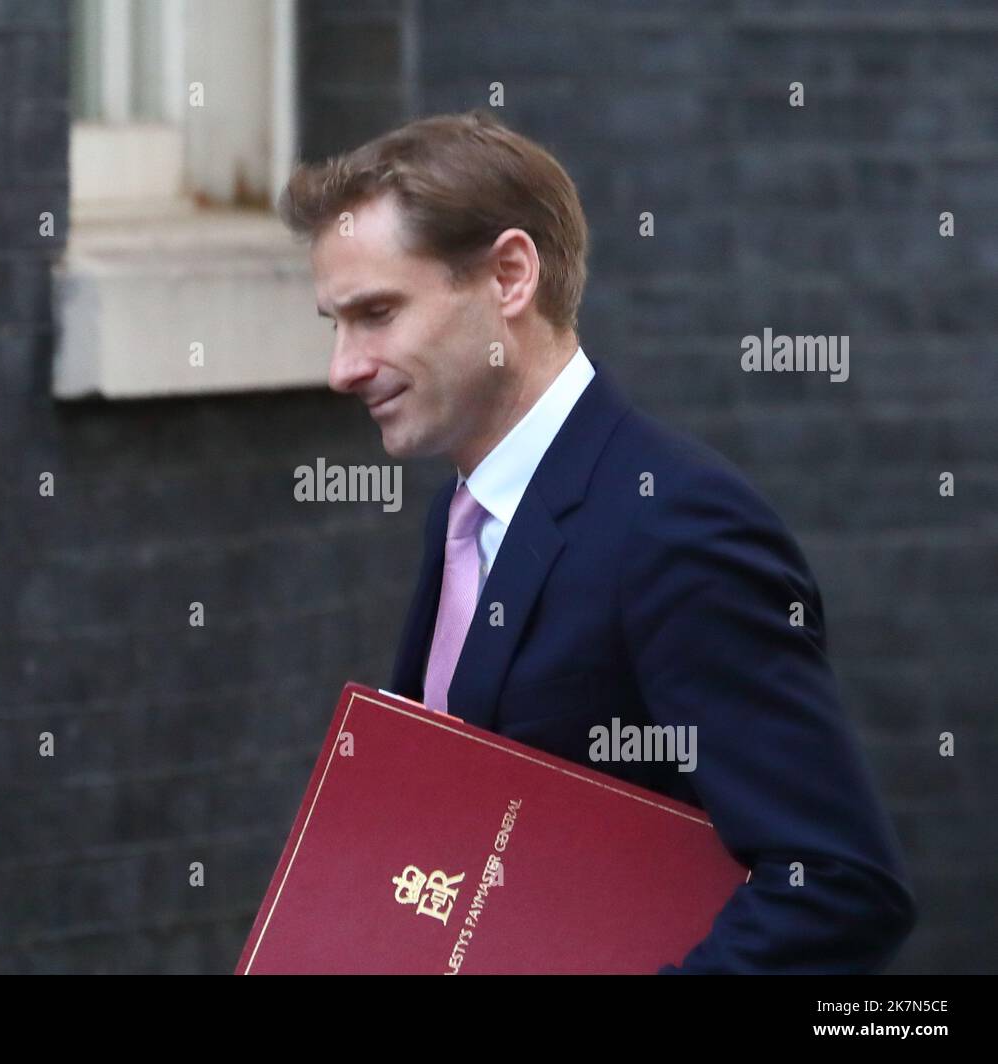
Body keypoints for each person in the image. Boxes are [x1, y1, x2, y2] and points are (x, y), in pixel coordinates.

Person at [276, 109, 915, 974]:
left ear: (509, 275)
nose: (343, 367)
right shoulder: (462, 515)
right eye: (335, 323)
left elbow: (838, 886)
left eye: (378, 313)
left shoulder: (677, 528)